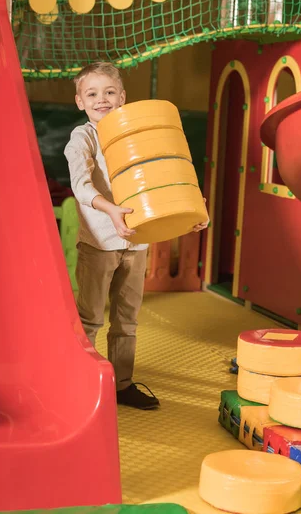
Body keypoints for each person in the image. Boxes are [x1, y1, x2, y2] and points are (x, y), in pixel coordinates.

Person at [64, 62, 208, 410]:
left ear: (122, 97)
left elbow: (163, 177)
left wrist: (189, 211)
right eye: (93, 94)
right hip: (100, 242)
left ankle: (122, 384)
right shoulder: (82, 138)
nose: (103, 99)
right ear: (80, 101)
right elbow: (81, 186)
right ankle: (77, 381)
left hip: (137, 240)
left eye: (110, 92)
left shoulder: (139, 134)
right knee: (91, 316)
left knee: (127, 319)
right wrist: (111, 210)